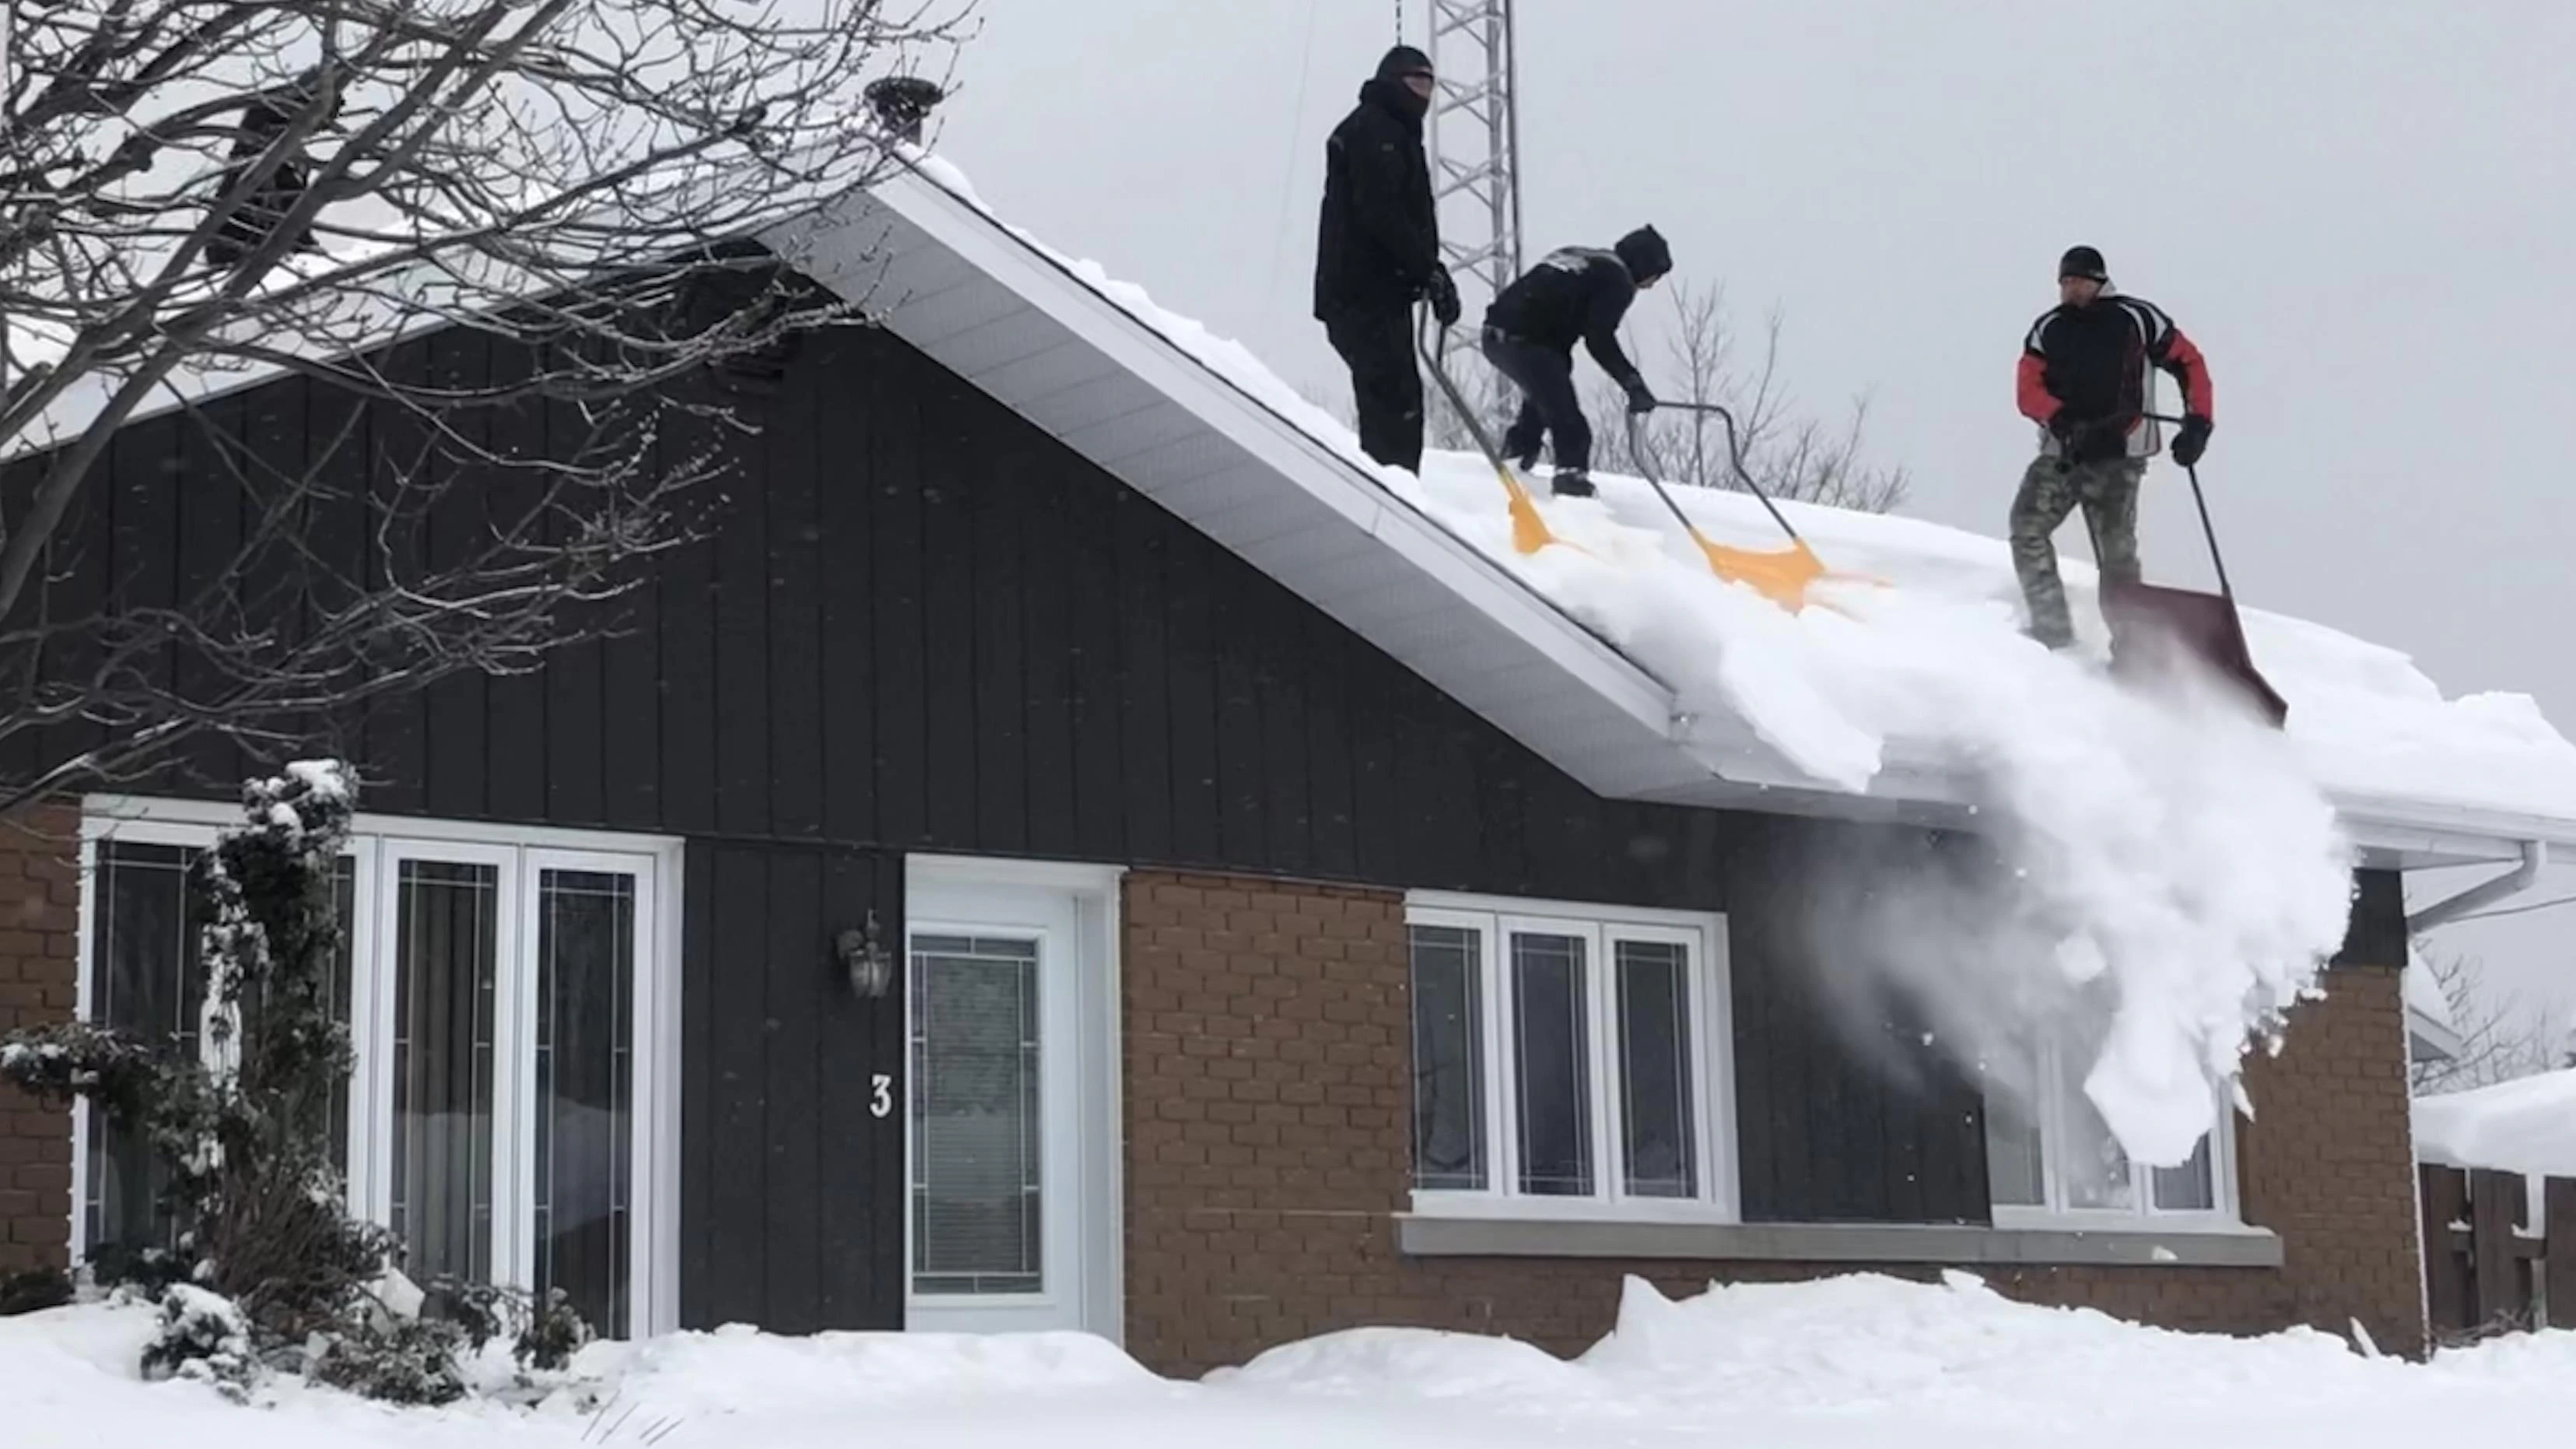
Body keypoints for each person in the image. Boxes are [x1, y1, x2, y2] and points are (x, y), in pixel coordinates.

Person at [2009, 244, 2216, 649]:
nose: (2070, 289)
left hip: (2120, 459)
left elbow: (2189, 362)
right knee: (2027, 528)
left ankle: (2133, 652)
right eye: (2064, 282)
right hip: (2063, 455)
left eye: (2079, 281)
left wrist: (2198, 423)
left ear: (2099, 280)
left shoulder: (2137, 318)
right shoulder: (2047, 328)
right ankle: (2052, 634)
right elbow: (2027, 389)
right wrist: (2060, 418)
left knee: (2117, 559)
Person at [1313, 44, 1460, 474]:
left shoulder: (1395, 134)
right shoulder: (1377, 133)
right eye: (1415, 83)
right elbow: (1381, 212)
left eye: (1430, 86)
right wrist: (1425, 270)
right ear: (1393, 84)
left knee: (1397, 399)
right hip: (1364, 292)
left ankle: (1396, 489)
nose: (1424, 96)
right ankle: (1391, 494)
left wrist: (1430, 274)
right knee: (1393, 403)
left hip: (1377, 291)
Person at [1479, 226, 1672, 497]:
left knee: (1549, 387)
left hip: (1497, 333)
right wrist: (1632, 383)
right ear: (1642, 267)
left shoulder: (1578, 256)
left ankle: (1517, 457)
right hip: (1528, 340)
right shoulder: (1617, 279)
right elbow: (1599, 339)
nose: (1650, 286)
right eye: (1654, 277)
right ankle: (1572, 484)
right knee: (1571, 426)